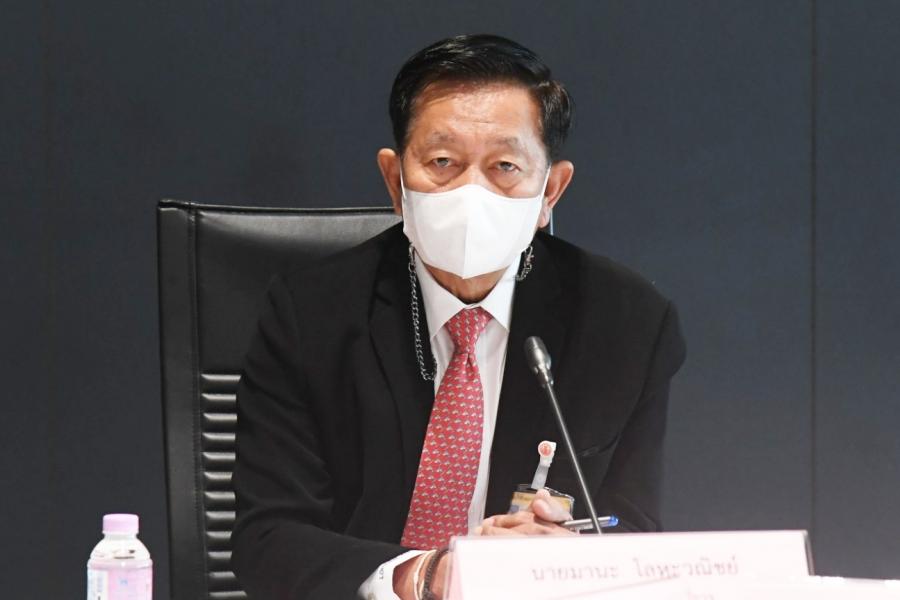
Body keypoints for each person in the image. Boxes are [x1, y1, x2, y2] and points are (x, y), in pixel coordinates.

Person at [232, 34, 686, 600]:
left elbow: (634, 533)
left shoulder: (626, 324)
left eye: (505, 166)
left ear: (550, 191)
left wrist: (570, 559)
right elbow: (267, 540)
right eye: (443, 162)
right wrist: (429, 574)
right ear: (395, 181)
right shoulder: (310, 315)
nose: (472, 192)